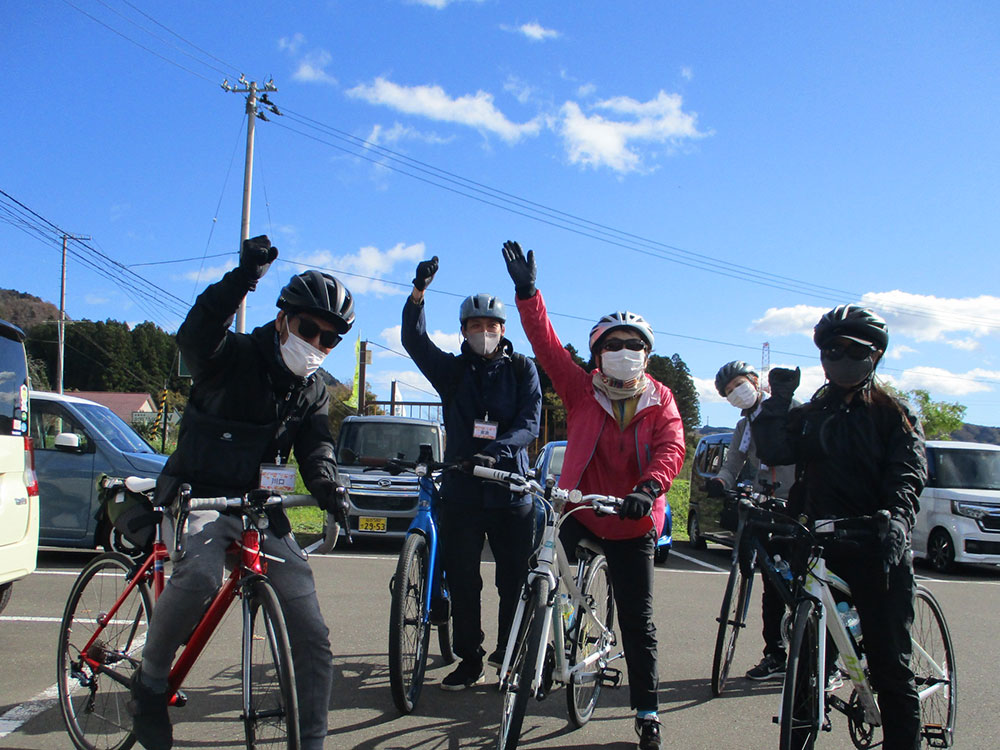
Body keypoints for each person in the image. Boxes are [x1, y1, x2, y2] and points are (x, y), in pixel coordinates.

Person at [129, 236, 353, 750]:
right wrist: (243, 277)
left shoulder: (313, 389)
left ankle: (311, 744)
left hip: (262, 513)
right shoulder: (233, 356)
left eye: (330, 339)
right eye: (308, 329)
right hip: (201, 497)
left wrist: (328, 487)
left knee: (314, 637)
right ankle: (150, 681)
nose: (317, 343)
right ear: (282, 320)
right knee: (201, 574)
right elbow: (196, 335)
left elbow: (316, 450)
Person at [502, 241, 685, 750]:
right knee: (540, 564)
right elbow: (546, 345)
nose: (624, 352)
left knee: (637, 620)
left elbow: (672, 448)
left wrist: (648, 490)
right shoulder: (582, 390)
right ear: (597, 353)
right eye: (613, 344)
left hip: (630, 521)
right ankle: (545, 631)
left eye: (634, 344)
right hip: (580, 508)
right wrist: (528, 293)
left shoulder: (661, 400)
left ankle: (647, 714)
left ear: (646, 353)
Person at [752, 304, 927, 750]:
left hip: (877, 544)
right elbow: (775, 450)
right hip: (820, 544)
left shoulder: (894, 412)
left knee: (890, 665)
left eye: (855, 350)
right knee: (807, 654)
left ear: (876, 356)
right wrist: (777, 401)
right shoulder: (813, 413)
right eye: (832, 350)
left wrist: (897, 520)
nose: (842, 357)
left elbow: (908, 472)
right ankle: (801, 728)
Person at [400, 254, 542, 691]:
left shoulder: (522, 369)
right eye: (476, 326)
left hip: (510, 491)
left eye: (492, 326)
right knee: (463, 580)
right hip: (462, 492)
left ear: (503, 331)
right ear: (463, 330)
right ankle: (470, 658)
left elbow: (530, 424)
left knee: (513, 579)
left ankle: (510, 651)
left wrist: (498, 453)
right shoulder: (453, 371)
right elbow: (414, 342)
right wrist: (418, 294)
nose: (485, 333)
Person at [708, 360, 796, 682]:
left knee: (804, 582)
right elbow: (733, 461)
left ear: (756, 381)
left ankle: (819, 654)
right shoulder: (744, 427)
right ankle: (775, 654)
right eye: (729, 392)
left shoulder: (790, 409)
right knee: (771, 584)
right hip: (765, 505)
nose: (736, 393)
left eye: (739, 384)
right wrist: (720, 482)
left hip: (799, 506)